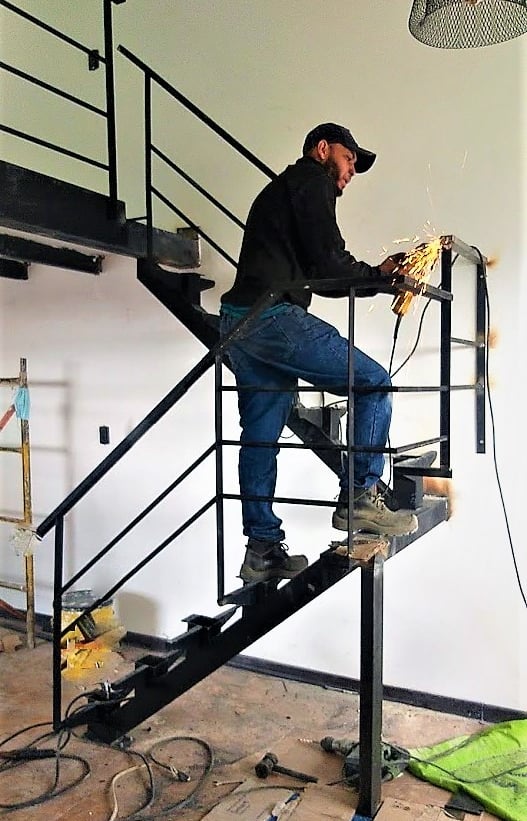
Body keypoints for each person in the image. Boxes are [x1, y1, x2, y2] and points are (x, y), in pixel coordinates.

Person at [220, 122, 418, 584]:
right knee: (373, 382)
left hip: (240, 322)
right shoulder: (312, 181)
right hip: (271, 317)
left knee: (261, 436)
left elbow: (322, 275)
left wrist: (375, 276)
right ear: (323, 149)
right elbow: (331, 262)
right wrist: (380, 277)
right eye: (349, 160)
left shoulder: (287, 190)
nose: (351, 172)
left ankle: (261, 549)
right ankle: (360, 497)